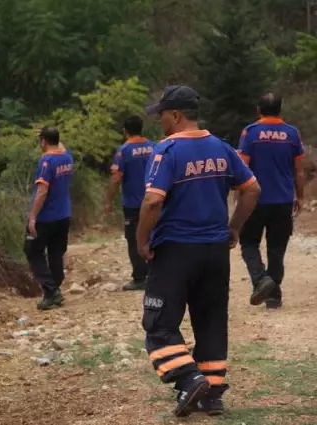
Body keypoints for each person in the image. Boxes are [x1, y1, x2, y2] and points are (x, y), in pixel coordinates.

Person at [138, 85, 261, 417]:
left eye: (162, 114)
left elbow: (152, 201)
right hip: (215, 251)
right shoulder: (221, 148)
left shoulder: (167, 151)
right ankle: (212, 393)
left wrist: (141, 240)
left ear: (176, 115)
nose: (159, 121)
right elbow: (251, 189)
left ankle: (189, 378)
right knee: (210, 320)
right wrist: (233, 227)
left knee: (159, 324)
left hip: (176, 250)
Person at [237, 93, 305, 309]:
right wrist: (300, 196)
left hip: (255, 198)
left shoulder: (250, 132)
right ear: (280, 109)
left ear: (259, 110)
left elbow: (242, 166)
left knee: (248, 242)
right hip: (283, 199)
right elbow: (299, 171)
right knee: (277, 247)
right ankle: (274, 294)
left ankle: (260, 280)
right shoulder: (292, 134)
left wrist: (239, 195)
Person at [105, 115, 156, 291]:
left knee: (134, 240)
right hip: (155, 201)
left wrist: (108, 201)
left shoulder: (123, 150)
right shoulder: (154, 147)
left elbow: (116, 178)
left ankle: (140, 277)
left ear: (124, 131)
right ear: (142, 129)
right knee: (154, 235)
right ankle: (156, 273)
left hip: (133, 205)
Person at [25, 126, 74, 310]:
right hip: (64, 215)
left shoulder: (46, 161)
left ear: (43, 142)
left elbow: (42, 191)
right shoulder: (67, 157)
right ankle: (54, 291)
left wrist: (32, 217)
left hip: (46, 216)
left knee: (32, 250)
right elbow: (60, 145)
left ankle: (51, 291)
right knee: (55, 252)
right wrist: (50, 135)